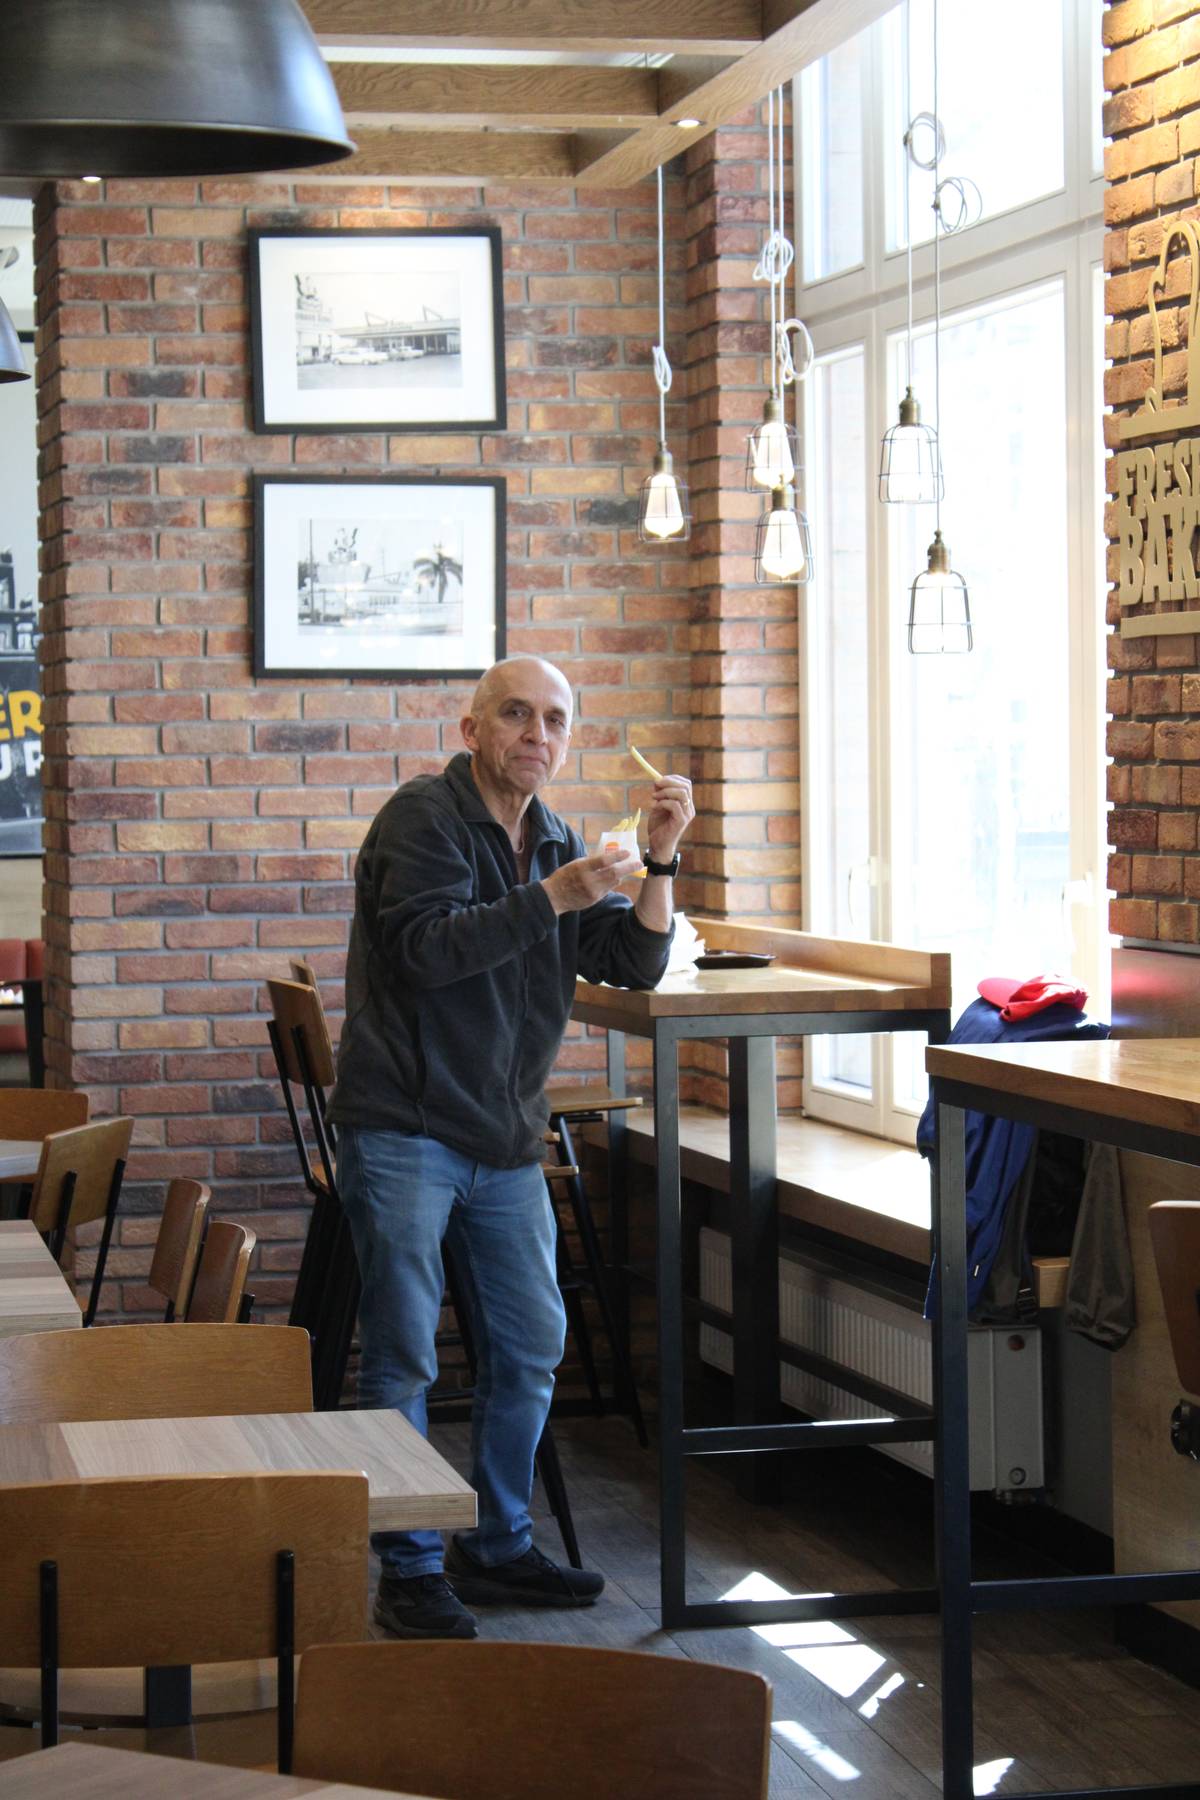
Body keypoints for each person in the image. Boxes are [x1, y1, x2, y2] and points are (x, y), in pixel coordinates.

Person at [327, 656, 695, 1640]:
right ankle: (408, 1566)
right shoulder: (423, 820)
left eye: (556, 721)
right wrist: (560, 896)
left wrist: (661, 860)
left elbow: (634, 961)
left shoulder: (560, 840)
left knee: (532, 1345)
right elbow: (427, 952)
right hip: (403, 1123)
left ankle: (495, 1545)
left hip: (501, 1130)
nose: (538, 735)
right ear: (473, 728)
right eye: (517, 716)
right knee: (402, 1357)